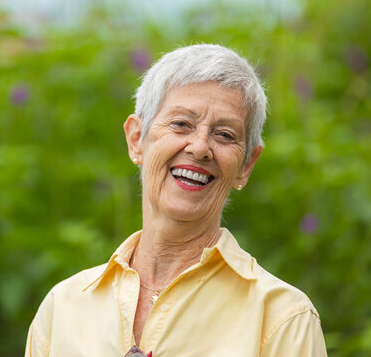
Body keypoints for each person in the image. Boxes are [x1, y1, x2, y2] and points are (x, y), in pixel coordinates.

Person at [25, 44, 327, 357]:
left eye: (224, 134)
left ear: (247, 165)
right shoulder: (63, 309)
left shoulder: (284, 320)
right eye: (181, 123)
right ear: (136, 140)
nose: (200, 147)